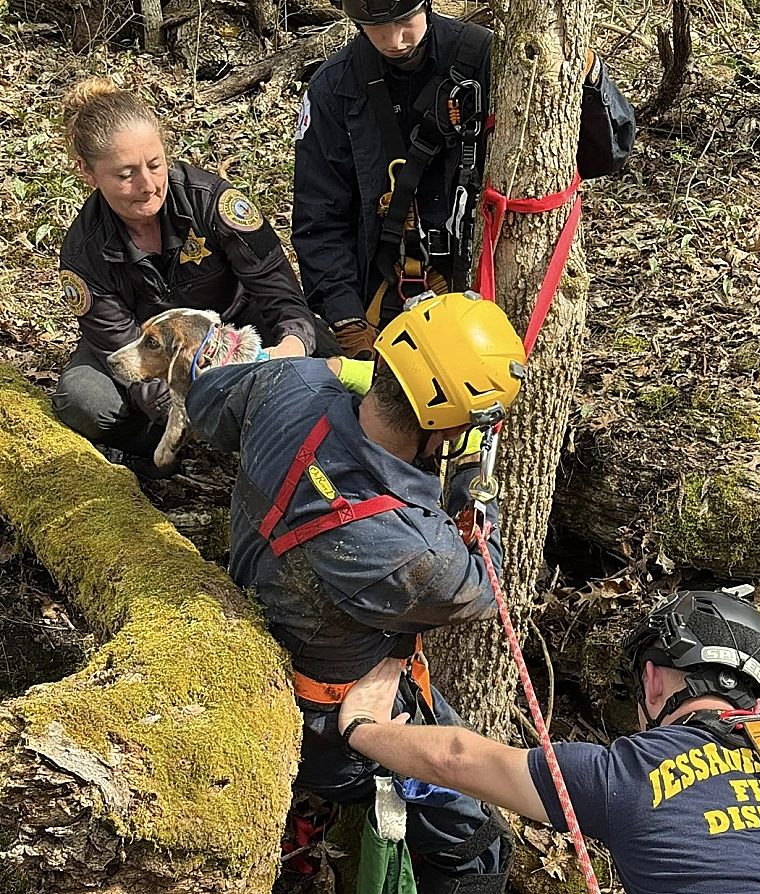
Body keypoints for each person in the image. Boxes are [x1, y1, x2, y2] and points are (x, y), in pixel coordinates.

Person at [185, 290, 527, 892]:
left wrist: (329, 369)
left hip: (251, 631)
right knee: (472, 842)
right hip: (335, 720)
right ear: (445, 422)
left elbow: (209, 401)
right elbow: (483, 586)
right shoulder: (415, 552)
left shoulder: (287, 386)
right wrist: (476, 489)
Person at [338, 588, 760, 893]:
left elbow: (456, 759)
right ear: (757, 698)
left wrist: (362, 727)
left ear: (653, 681)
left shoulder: (628, 771)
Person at [292, 0, 637, 359]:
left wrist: (589, 77)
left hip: (487, 283)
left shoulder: (489, 58)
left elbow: (603, 156)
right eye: (376, 27)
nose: (394, 40)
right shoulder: (334, 89)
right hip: (384, 295)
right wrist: (347, 321)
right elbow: (320, 218)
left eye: (404, 21)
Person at [53, 76, 335, 476]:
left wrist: (291, 345)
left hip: (236, 330)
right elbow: (120, 346)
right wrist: (182, 408)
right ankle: (163, 450)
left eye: (155, 165)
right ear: (88, 173)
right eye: (125, 174)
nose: (148, 185)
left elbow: (282, 297)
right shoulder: (83, 253)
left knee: (322, 351)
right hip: (148, 350)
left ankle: (303, 447)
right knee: (83, 397)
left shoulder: (213, 203)